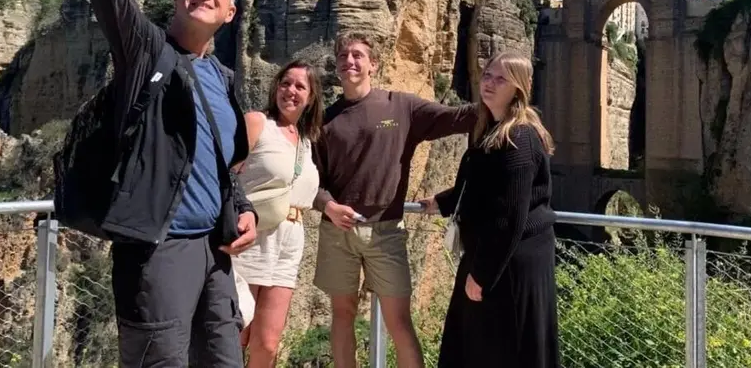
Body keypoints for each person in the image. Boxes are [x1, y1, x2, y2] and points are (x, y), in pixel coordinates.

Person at [82, 0, 258, 367]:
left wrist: (243, 207)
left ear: (230, 14)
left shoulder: (225, 78)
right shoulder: (145, 53)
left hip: (215, 252)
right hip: (157, 253)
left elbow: (219, 163)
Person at [312, 32, 478, 368]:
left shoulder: (401, 106)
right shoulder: (324, 120)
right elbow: (310, 182)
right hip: (337, 233)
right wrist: (328, 205)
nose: (350, 61)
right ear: (337, 66)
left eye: (358, 55)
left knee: (399, 322)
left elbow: (457, 118)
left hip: (386, 232)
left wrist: (501, 101)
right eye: (344, 56)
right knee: (342, 316)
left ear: (373, 64)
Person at [418, 51, 560, 368]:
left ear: (518, 88)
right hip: (498, 258)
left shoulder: (519, 138)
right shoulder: (494, 128)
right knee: (481, 345)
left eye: (501, 78)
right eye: (487, 75)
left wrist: (481, 275)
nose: (490, 83)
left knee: (498, 348)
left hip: (508, 265)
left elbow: (508, 216)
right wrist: (442, 202)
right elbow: (481, 187)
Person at [231, 60, 324, 367]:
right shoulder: (257, 122)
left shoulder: (307, 141)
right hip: (251, 235)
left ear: (311, 97)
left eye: (300, 86)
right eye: (286, 83)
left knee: (268, 343)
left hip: (289, 244)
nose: (291, 91)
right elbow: (225, 174)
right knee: (236, 332)